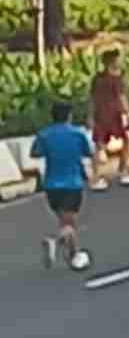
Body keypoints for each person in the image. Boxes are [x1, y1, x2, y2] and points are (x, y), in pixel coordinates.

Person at [31, 100, 90, 272]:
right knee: (68, 223)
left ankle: (74, 254)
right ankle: (55, 242)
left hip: (51, 185)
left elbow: (35, 153)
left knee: (65, 221)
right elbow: (88, 152)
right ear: (69, 116)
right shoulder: (77, 134)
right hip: (73, 183)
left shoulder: (44, 135)